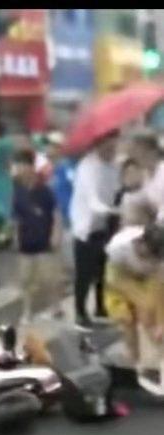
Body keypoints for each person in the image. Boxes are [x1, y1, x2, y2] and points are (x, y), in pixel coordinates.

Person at [105, 222, 164, 390]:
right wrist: (137, 303)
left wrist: (160, 322)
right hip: (120, 278)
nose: (153, 258)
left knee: (153, 321)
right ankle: (134, 366)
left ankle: (155, 365)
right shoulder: (118, 247)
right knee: (126, 320)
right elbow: (115, 281)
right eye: (150, 253)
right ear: (141, 242)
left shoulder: (159, 259)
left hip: (148, 279)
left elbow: (160, 290)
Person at [70, 130, 120, 326]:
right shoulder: (87, 167)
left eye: (114, 144)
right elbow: (93, 202)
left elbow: (117, 191)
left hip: (107, 225)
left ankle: (101, 306)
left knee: (104, 270)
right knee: (84, 273)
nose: (112, 149)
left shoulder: (114, 166)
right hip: (86, 228)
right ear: (98, 144)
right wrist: (115, 210)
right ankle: (80, 312)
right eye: (108, 145)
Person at [12, 149, 63, 324]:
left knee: (48, 278)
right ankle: (26, 311)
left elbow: (56, 213)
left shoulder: (44, 190)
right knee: (25, 280)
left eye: (21, 165)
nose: (19, 169)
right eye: (17, 165)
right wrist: (16, 236)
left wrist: (55, 234)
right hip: (26, 241)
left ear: (30, 167)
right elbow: (16, 217)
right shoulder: (18, 190)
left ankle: (56, 307)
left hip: (44, 240)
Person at [128, 130, 164, 223]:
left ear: (153, 152)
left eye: (140, 152)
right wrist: (132, 187)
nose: (136, 157)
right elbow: (141, 199)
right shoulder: (146, 175)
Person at [109, 158, 143, 236]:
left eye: (134, 173)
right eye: (128, 173)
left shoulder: (146, 193)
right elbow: (113, 220)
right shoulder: (119, 196)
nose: (132, 176)